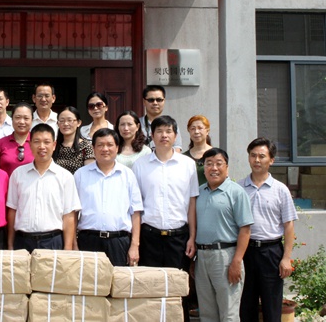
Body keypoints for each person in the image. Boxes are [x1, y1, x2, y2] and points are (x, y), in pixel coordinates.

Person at [132, 115, 199, 322]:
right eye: (159, 131)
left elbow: (192, 203)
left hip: (179, 237)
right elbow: (136, 206)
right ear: (152, 136)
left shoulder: (187, 165)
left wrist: (192, 237)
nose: (164, 135)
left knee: (179, 290)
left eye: (169, 131)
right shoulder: (140, 165)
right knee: (150, 289)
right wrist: (136, 242)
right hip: (149, 236)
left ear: (175, 135)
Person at [239, 138, 298, 322]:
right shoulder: (239, 188)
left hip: (271, 253)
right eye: (253, 155)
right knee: (245, 305)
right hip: (245, 252)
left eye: (262, 156)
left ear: (271, 160)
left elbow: (288, 226)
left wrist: (286, 258)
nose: (257, 160)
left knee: (272, 306)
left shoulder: (280, 190)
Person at [196, 148, 253, 322]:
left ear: (227, 167)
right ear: (204, 169)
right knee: (206, 314)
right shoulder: (199, 192)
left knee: (228, 314)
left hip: (226, 257)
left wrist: (237, 261)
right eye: (209, 164)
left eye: (218, 164)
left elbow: (245, 229)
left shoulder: (236, 192)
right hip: (201, 257)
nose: (214, 168)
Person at [6, 124, 81, 253]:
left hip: (53, 241)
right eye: (37, 142)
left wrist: (67, 249)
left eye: (46, 142)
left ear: (54, 145)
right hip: (22, 241)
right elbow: (12, 210)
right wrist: (10, 245)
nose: (42, 146)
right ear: (30, 145)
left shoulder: (65, 176)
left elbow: (69, 215)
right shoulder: (18, 174)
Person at [74, 128, 143, 266]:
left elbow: (135, 212)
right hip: (88, 241)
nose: (105, 149)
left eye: (110, 145)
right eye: (100, 145)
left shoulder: (127, 175)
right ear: (93, 148)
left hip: (119, 241)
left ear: (117, 147)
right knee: (89, 279)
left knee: (118, 279)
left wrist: (135, 245)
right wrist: (74, 244)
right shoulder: (80, 174)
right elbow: (73, 212)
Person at [0, 102, 35, 177]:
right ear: (12, 119)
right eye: (18, 117)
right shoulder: (0, 144)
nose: (22, 122)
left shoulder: (37, 143)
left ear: (32, 120)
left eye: (26, 118)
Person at [139, 85, 183, 151]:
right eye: (151, 100)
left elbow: (177, 148)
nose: (155, 103)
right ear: (144, 102)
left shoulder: (171, 124)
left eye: (159, 100)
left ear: (164, 101)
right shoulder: (137, 124)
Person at [52, 106, 95, 174]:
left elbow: (89, 174)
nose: (65, 124)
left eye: (70, 120)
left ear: (78, 123)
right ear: (58, 123)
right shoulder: (53, 146)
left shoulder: (86, 146)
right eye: (62, 121)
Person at [183, 115, 213, 186]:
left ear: (207, 130)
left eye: (200, 128)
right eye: (193, 129)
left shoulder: (216, 154)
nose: (196, 132)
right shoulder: (183, 157)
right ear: (189, 131)